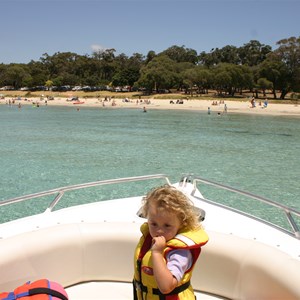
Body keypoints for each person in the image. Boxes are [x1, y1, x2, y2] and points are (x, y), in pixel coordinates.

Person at [133, 185, 209, 300]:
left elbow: (166, 287)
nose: (159, 231)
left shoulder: (180, 253)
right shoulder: (149, 239)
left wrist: (157, 253)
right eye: (153, 224)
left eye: (167, 226)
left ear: (182, 223)